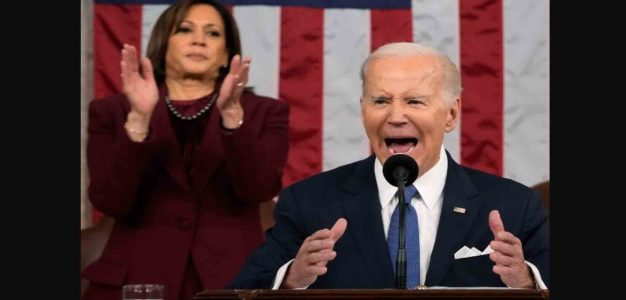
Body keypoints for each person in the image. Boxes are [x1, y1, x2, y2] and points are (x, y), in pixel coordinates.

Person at [228, 42, 548, 290]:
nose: (395, 116)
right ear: (363, 110)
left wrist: (525, 282)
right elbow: (243, 290)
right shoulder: (309, 203)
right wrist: (291, 279)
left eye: (414, 101)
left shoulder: (514, 207)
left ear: (451, 114)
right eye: (380, 101)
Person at [81, 0, 289, 299]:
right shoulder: (112, 111)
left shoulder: (265, 112)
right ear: (164, 42)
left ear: (227, 53)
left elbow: (258, 190)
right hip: (138, 279)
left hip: (232, 281)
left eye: (213, 33)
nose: (199, 39)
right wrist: (139, 119)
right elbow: (110, 202)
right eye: (185, 29)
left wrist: (232, 116)